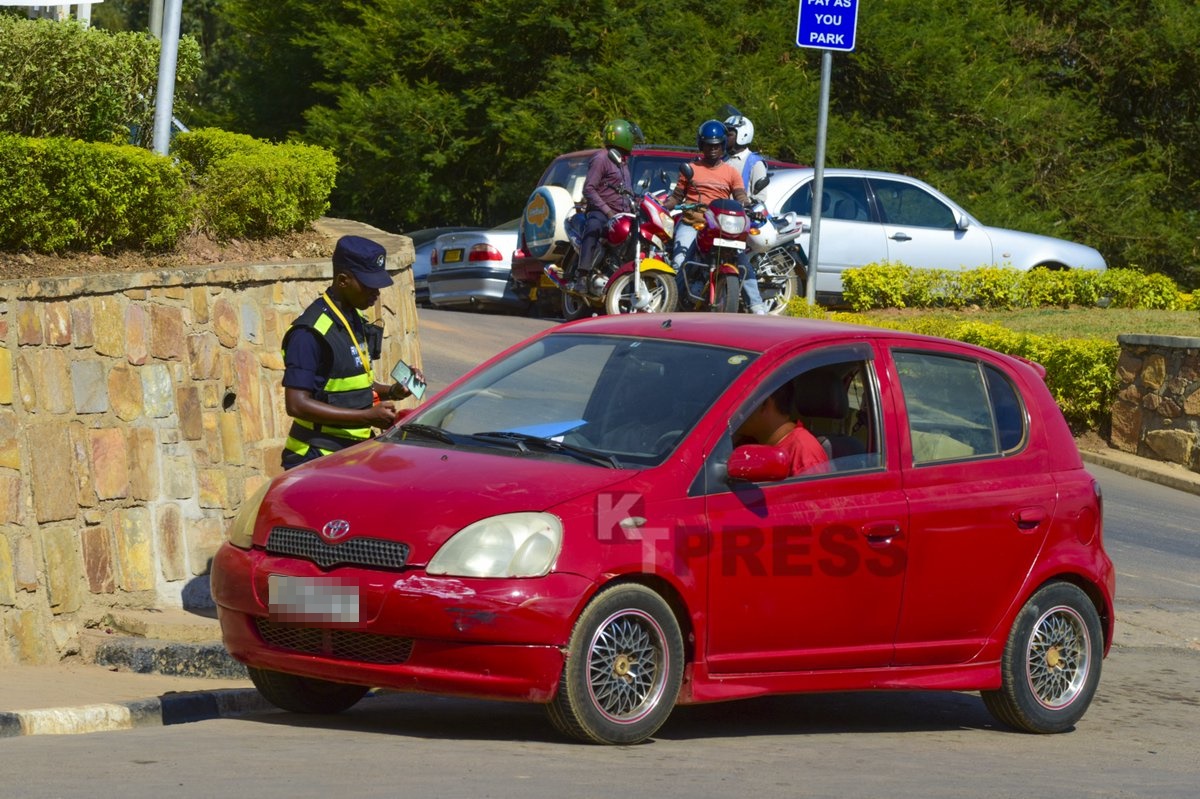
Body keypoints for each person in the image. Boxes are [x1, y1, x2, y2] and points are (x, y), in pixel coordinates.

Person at [280, 235, 420, 470]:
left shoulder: (354, 318)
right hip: (315, 459)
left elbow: (352, 384)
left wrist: (392, 391)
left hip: (351, 454)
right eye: (368, 285)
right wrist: (366, 417)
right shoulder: (309, 333)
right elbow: (296, 404)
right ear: (343, 280)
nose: (376, 292)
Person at [662, 119, 767, 314]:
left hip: (719, 225)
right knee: (680, 260)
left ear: (723, 146)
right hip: (692, 223)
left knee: (742, 261)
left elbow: (740, 195)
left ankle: (757, 307)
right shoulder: (690, 168)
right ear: (701, 145)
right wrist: (663, 206)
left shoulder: (731, 172)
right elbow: (676, 196)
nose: (712, 149)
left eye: (717, 145)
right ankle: (672, 305)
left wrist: (749, 204)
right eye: (708, 145)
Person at [555, 118, 638, 290]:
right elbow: (589, 189)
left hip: (622, 214)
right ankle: (582, 275)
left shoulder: (623, 162)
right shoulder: (601, 158)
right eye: (631, 137)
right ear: (623, 137)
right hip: (601, 211)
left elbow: (627, 190)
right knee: (593, 226)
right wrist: (607, 212)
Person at [734, 381, 830, 476]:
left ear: (765, 404)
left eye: (744, 403)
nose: (737, 411)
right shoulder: (748, 443)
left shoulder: (804, 453)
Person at [723, 115, 767, 202]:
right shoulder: (723, 159)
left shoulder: (754, 163)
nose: (725, 138)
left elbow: (760, 198)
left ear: (743, 135)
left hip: (740, 214)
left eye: (729, 135)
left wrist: (746, 202)